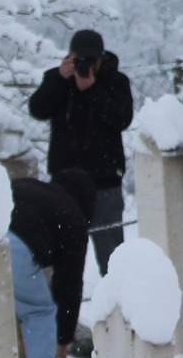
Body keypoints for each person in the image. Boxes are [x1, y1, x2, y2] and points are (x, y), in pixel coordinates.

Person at [25, 28, 133, 273]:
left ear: (101, 59)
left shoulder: (116, 82)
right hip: (65, 181)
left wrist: (93, 90)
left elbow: (122, 118)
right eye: (79, 59)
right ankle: (64, 307)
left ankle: (116, 302)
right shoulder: (58, 80)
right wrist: (58, 80)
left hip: (104, 181)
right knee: (62, 254)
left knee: (111, 253)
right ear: (70, 57)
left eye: (89, 60)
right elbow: (37, 109)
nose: (85, 66)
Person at [6, 171, 97, 358]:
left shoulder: (31, 187)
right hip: (14, 245)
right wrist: (62, 344)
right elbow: (69, 287)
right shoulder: (73, 218)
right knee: (39, 311)